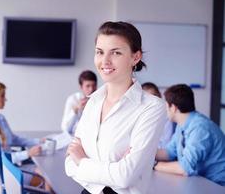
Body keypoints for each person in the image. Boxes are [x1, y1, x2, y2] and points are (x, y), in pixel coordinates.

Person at [65, 21, 167, 194]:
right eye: (99, 52)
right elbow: (68, 164)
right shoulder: (92, 102)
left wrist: (82, 161)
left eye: (116, 53)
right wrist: (113, 169)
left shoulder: (152, 107)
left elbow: (125, 176)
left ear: (135, 57)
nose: (105, 61)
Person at [154, 84, 225, 186]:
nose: (165, 110)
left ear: (173, 108)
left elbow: (185, 168)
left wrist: (155, 165)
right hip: (201, 181)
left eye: (166, 106)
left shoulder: (200, 127)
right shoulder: (181, 125)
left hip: (217, 185)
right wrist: (146, 152)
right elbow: (169, 152)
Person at [0, 79, 42, 185]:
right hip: (4, 171)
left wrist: (38, 141)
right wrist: (27, 153)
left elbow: (14, 139)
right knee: (46, 178)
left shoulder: (0, 118)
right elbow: (0, 158)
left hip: (11, 165)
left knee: (44, 172)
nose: (5, 99)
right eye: (2, 96)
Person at [61, 70, 97, 135]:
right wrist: (76, 109)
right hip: (73, 138)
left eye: (94, 85)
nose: (91, 89)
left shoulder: (100, 100)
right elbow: (65, 128)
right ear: (81, 87)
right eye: (88, 86)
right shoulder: (72, 99)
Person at [142, 82, 176, 148]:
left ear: (160, 96)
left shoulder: (168, 116)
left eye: (154, 97)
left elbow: (166, 145)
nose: (152, 102)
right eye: (147, 99)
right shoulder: (140, 118)